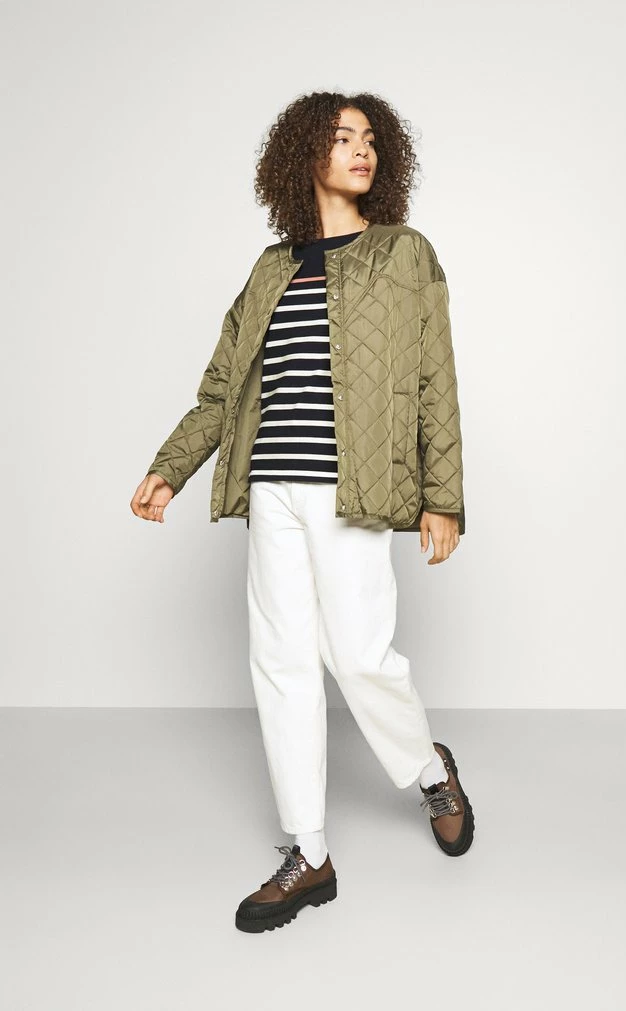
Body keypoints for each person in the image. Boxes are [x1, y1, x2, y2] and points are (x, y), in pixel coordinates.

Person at [131, 91, 475, 934]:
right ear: (303, 156)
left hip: (352, 490)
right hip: (271, 489)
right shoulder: (269, 269)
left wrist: (442, 498)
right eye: (342, 137)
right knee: (281, 663)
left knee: (357, 656)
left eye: (370, 139)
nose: (362, 150)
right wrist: (172, 467)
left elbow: (435, 378)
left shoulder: (403, 253)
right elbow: (224, 389)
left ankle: (430, 769)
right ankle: (309, 853)